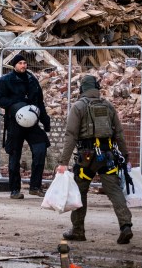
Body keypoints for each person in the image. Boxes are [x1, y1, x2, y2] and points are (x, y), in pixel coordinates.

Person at [56, 75, 133, 245]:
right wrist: (125, 155)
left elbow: (71, 136)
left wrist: (63, 162)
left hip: (86, 158)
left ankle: (78, 230)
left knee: (80, 191)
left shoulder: (78, 107)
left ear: (82, 89)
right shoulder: (108, 106)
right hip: (108, 156)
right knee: (114, 190)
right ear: (97, 88)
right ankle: (125, 225)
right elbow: (119, 133)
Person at [0, 53, 51, 199]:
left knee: (40, 150)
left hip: (32, 123)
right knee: (14, 156)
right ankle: (14, 190)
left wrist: (45, 120)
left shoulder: (32, 80)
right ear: (14, 65)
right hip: (15, 124)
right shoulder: (6, 81)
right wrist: (16, 104)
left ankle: (35, 187)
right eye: (20, 63)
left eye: (25, 63)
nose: (23, 65)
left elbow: (40, 102)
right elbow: (0, 99)